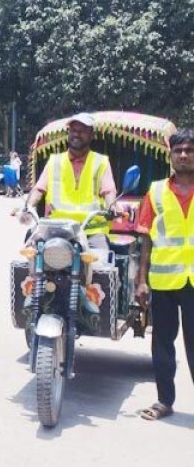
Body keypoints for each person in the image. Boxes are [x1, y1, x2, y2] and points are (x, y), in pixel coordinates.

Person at [134, 128, 194, 421]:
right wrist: (141, 280)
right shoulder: (156, 191)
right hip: (164, 281)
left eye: (189, 150)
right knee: (162, 343)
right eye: (178, 150)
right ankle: (164, 401)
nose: (184, 155)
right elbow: (145, 239)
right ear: (170, 155)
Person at [24, 113, 118, 250]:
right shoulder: (54, 161)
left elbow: (108, 190)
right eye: (73, 130)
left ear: (91, 135)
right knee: (30, 252)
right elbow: (39, 189)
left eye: (82, 131)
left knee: (101, 264)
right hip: (55, 230)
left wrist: (112, 206)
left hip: (90, 231)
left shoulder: (101, 162)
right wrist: (29, 206)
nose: (76, 135)